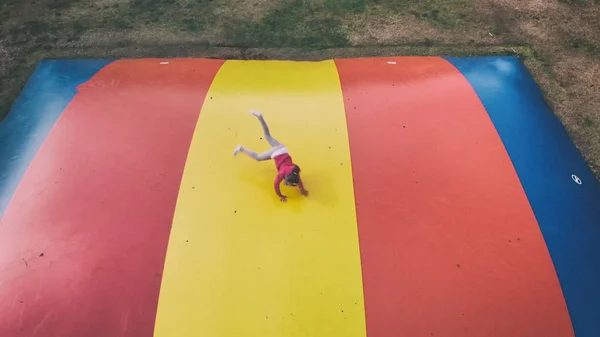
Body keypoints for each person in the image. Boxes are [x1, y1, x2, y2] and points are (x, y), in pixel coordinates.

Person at [233, 110, 308, 202]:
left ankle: (260, 117)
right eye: (289, 183)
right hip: (277, 153)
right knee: (258, 157)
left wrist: (302, 190)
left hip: (282, 149)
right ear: (287, 178)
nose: (288, 185)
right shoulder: (282, 174)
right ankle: (241, 148)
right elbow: (276, 185)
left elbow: (298, 181)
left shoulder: (294, 171)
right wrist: (280, 196)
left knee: (267, 136)